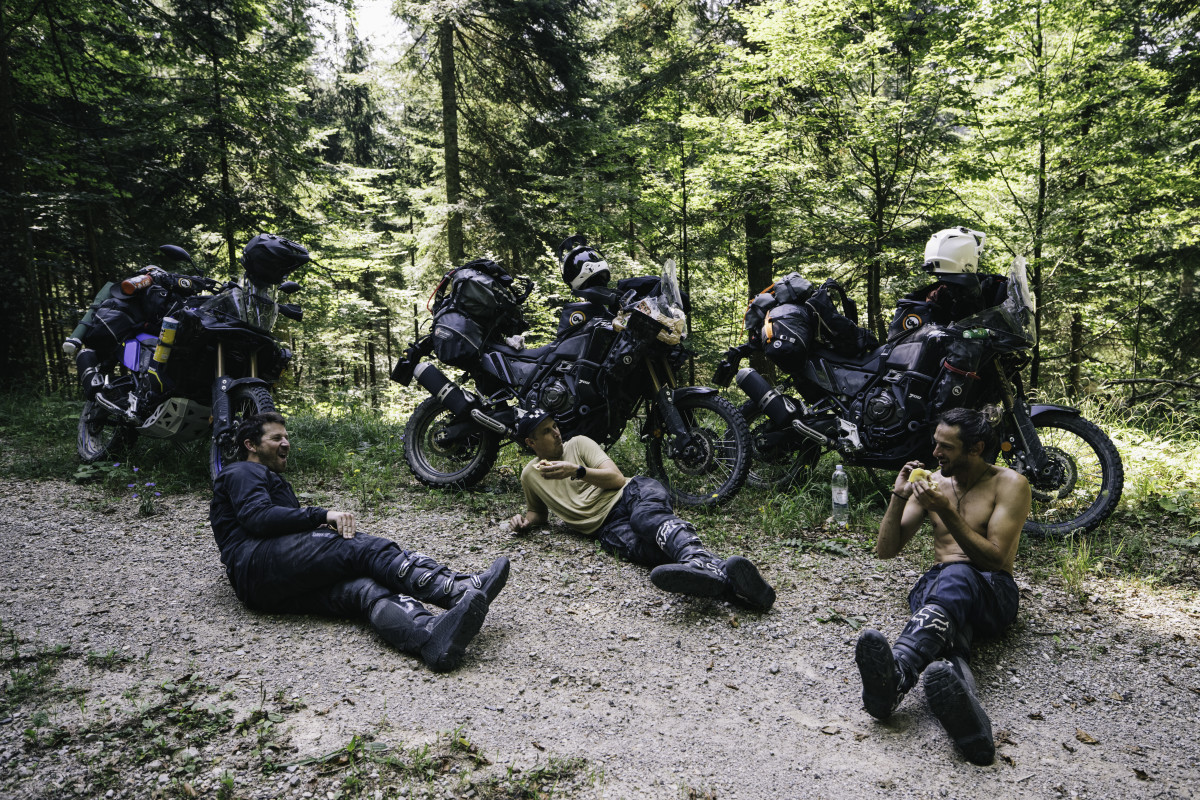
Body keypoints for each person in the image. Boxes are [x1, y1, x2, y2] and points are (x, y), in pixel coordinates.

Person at [210, 412, 509, 672]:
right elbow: (257, 517)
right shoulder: (243, 470)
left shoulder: (261, 476)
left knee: (363, 589)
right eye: (276, 438)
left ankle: (429, 636)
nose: (286, 443)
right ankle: (457, 589)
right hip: (256, 561)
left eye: (286, 437)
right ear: (250, 445)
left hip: (261, 589)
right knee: (358, 546)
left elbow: (275, 523)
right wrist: (321, 515)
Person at [854, 407, 1032, 765]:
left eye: (945, 447)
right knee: (948, 628)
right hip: (940, 590)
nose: (935, 453)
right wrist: (899, 495)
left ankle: (900, 671)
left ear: (976, 448)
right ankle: (972, 723)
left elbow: (995, 560)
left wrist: (946, 510)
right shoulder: (934, 482)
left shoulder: (1010, 484)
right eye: (935, 444)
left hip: (992, 590)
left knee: (956, 574)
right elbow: (886, 550)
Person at [507, 406, 776, 611]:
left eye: (554, 426)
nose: (556, 433)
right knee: (644, 549)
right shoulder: (530, 475)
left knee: (647, 520)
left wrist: (576, 470)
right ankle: (732, 584)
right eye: (546, 431)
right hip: (606, 527)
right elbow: (538, 514)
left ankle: (699, 562)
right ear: (531, 443)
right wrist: (525, 522)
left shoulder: (578, 444)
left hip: (630, 494)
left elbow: (614, 478)